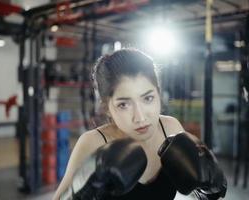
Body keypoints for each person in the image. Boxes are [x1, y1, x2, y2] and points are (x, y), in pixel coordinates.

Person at [53, 48, 226, 200]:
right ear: (107, 108)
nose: (140, 117)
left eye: (148, 98)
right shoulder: (93, 143)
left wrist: (208, 189)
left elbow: (204, 191)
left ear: (159, 94)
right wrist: (81, 193)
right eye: (124, 104)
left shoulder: (171, 129)